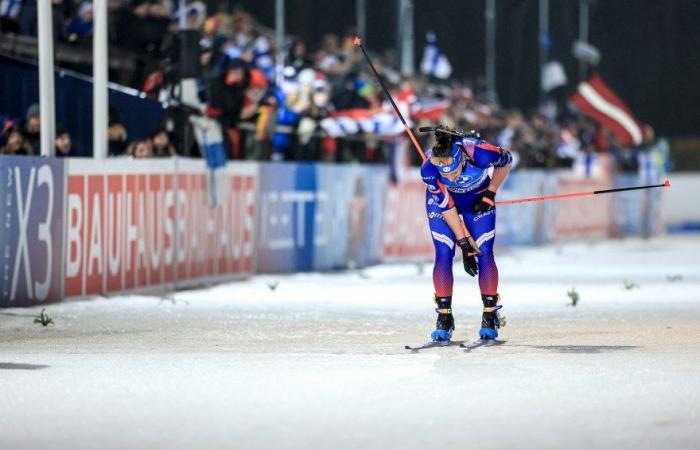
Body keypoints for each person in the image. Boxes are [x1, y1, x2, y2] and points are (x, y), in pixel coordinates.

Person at [421, 126, 512, 342]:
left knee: (484, 252)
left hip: (477, 199)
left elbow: (507, 161)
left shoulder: (479, 152)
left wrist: (490, 194)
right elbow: (448, 208)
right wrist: (463, 244)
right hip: (444, 205)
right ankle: (444, 318)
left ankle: (490, 315)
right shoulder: (429, 170)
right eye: (446, 174)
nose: (451, 176)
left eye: (454, 171)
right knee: (444, 252)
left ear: (461, 158)